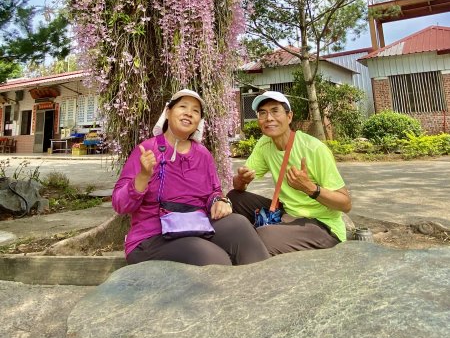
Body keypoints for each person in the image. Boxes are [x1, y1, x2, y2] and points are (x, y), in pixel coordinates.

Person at [112, 89, 269, 266]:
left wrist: (219, 201)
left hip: (195, 225)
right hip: (152, 237)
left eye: (195, 110)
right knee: (214, 258)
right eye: (183, 106)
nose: (189, 113)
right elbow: (120, 205)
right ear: (168, 112)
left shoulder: (203, 155)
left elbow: (213, 192)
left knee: (239, 226)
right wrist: (142, 176)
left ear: (199, 122)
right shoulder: (148, 149)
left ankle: (262, 287)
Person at [228, 91, 351, 255]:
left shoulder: (313, 148)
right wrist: (241, 179)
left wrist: (310, 188)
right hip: (287, 212)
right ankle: (249, 238)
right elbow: (238, 186)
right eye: (262, 113)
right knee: (234, 198)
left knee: (262, 237)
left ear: (289, 116)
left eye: (275, 111)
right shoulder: (265, 143)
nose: (269, 118)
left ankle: (257, 241)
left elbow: (345, 204)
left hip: (322, 225)